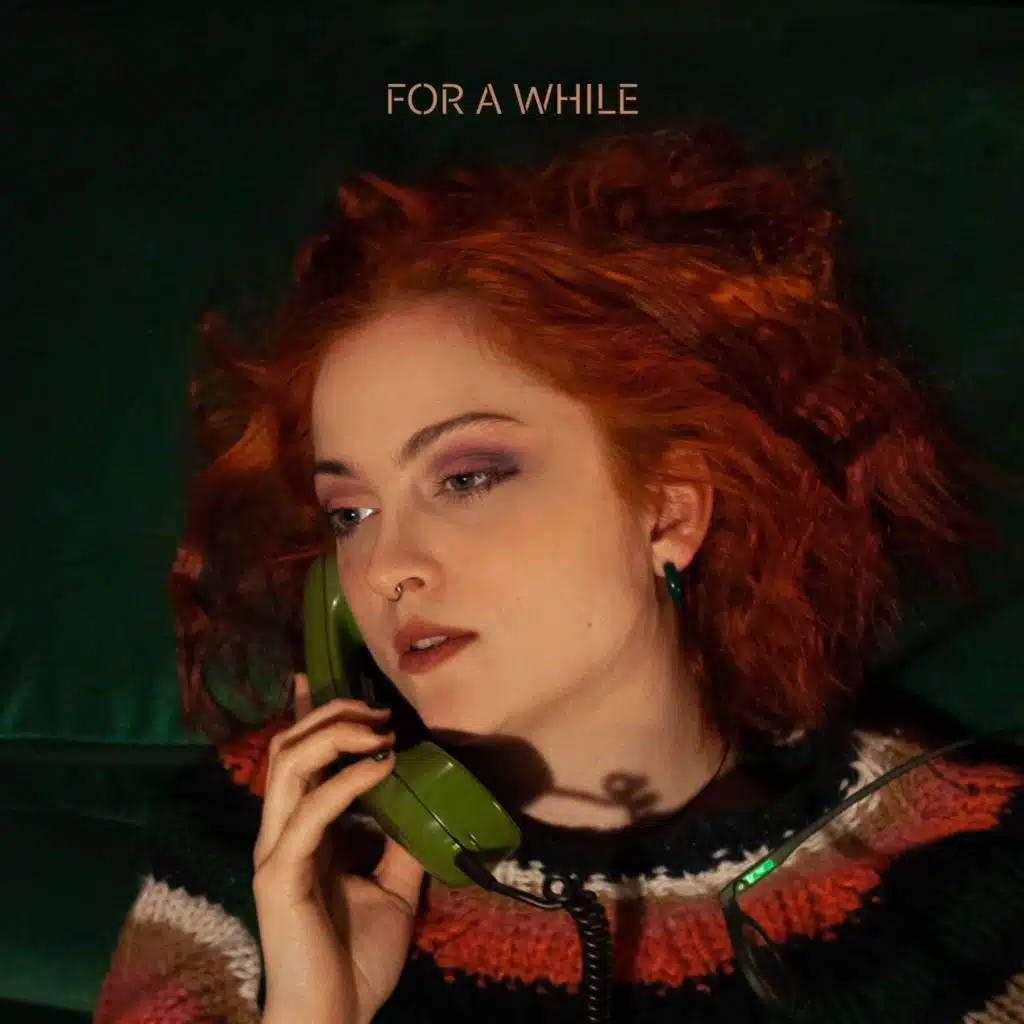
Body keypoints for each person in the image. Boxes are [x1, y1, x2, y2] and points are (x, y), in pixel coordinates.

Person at [94, 126, 1024, 1024]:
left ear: (668, 512)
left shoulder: (965, 870)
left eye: (467, 478)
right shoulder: (257, 845)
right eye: (351, 513)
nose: (385, 570)